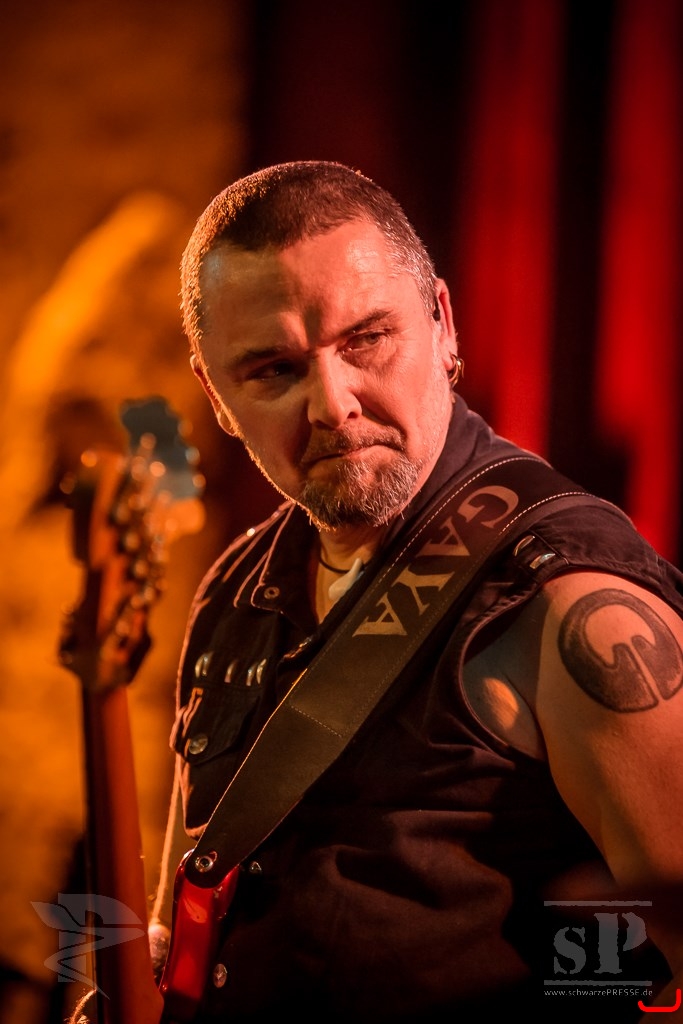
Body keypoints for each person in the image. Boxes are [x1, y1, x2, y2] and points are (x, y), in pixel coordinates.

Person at [148, 160, 683, 1024]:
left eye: (365, 339)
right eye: (274, 369)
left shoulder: (567, 600)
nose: (333, 404)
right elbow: (187, 908)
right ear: (215, 396)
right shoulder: (236, 590)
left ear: (442, 323)